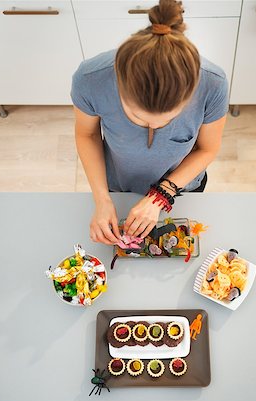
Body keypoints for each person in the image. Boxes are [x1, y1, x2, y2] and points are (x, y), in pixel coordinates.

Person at [71, 0, 228, 245]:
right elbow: (87, 135)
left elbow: (207, 148)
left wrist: (160, 195)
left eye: (168, 120)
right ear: (119, 89)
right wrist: (102, 199)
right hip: (118, 185)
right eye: (138, 118)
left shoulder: (213, 83)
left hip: (182, 188)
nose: (153, 128)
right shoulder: (91, 79)